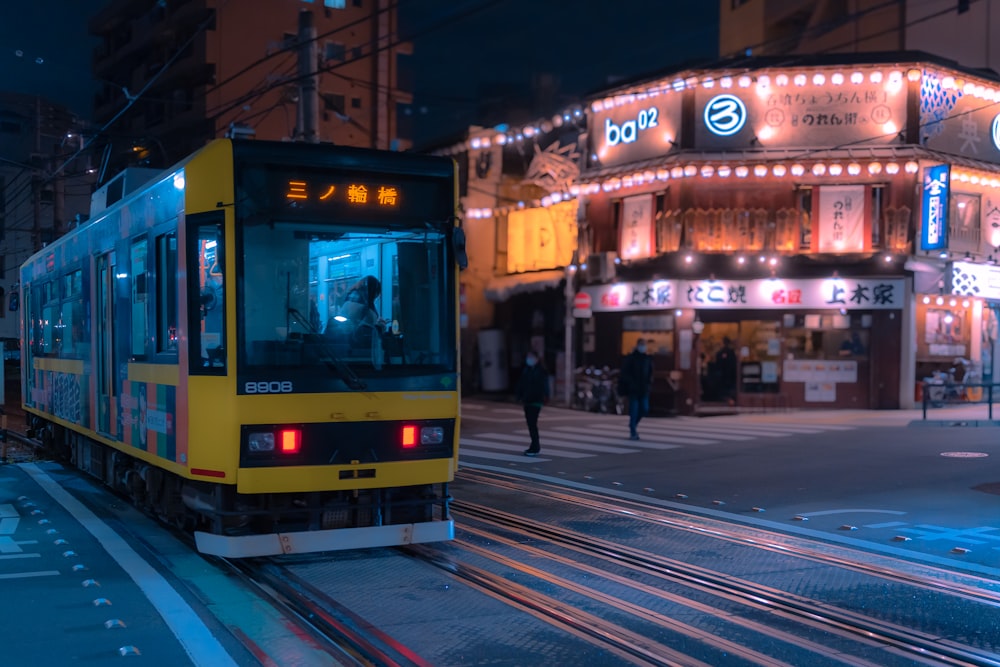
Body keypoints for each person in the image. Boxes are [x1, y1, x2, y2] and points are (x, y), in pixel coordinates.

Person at [619, 338, 654, 440]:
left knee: (644, 409)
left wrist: (649, 383)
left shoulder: (647, 358)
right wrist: (630, 384)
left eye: (644, 345)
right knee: (634, 410)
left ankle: (633, 425)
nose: (643, 347)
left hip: (644, 388)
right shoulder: (631, 358)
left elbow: (650, 372)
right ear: (637, 345)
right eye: (641, 345)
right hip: (633, 389)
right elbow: (625, 373)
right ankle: (633, 429)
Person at [516, 351, 549, 456]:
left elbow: (545, 386)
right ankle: (533, 446)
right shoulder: (526, 370)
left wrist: (546, 397)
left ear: (537, 358)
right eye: (528, 357)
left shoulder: (541, 371)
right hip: (527, 400)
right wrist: (519, 396)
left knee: (532, 423)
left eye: (531, 357)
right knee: (530, 424)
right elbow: (521, 384)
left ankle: (535, 447)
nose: (529, 359)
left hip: (536, 401)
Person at [715, 336, 738, 405]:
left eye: (721, 342)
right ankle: (729, 400)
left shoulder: (722, 353)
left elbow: (718, 363)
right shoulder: (731, 352)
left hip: (724, 375)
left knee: (725, 389)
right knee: (728, 388)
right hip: (729, 375)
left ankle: (728, 400)